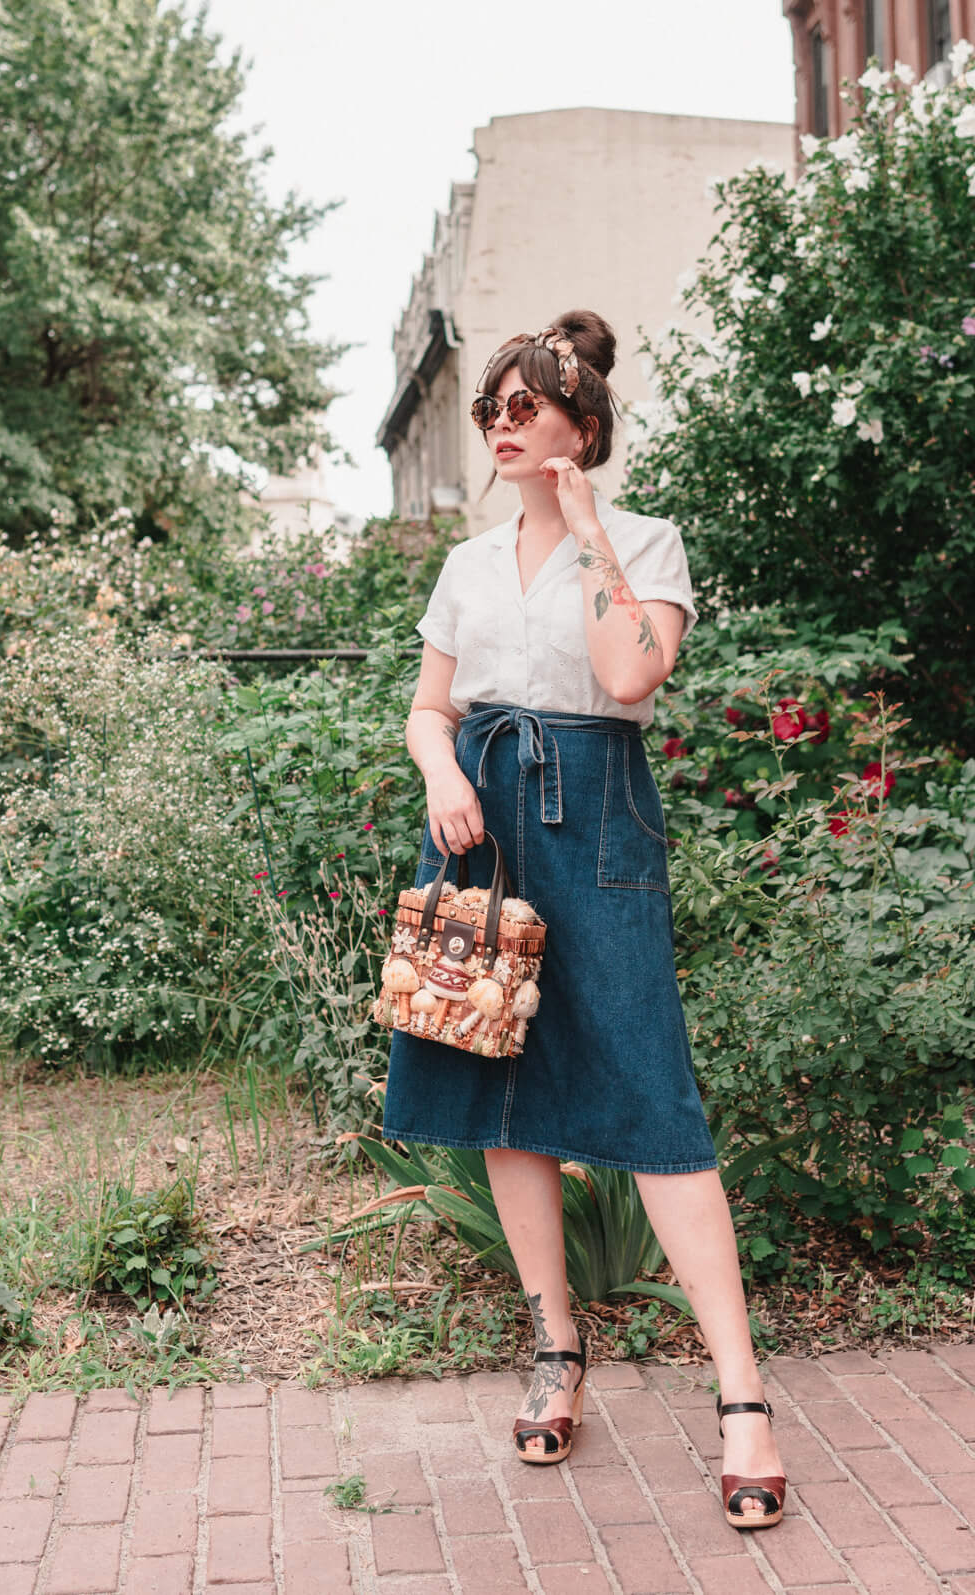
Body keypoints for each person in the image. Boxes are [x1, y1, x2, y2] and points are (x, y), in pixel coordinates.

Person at [381, 310, 786, 1530]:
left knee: (653, 1094)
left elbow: (627, 678)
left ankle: (741, 1395)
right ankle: (556, 1342)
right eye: (489, 410)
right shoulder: (464, 564)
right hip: (481, 823)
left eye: (524, 408)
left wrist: (595, 531)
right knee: (498, 1081)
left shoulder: (644, 541)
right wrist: (444, 777)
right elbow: (427, 711)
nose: (501, 426)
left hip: (597, 816)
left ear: (582, 427)